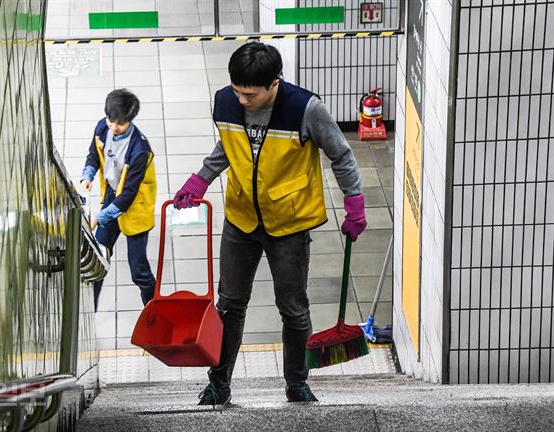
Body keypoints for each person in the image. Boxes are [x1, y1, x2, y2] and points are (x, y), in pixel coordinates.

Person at [173, 42, 367, 405]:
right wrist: (201, 178)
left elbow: (340, 154)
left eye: (251, 94)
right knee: (229, 304)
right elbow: (230, 147)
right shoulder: (226, 102)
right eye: (237, 91)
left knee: (293, 308)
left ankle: (296, 383)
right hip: (241, 218)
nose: (242, 100)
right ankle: (219, 384)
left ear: (274, 84)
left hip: (290, 222)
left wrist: (354, 202)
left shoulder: (305, 109)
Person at [80, 89, 157, 311]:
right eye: (111, 120)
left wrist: (99, 218)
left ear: (130, 120)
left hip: (135, 207)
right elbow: (93, 155)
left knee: (139, 270)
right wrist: (88, 176)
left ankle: (154, 311)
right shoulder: (102, 128)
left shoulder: (140, 150)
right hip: (112, 197)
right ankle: (88, 310)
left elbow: (129, 196)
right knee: (98, 261)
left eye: (120, 123)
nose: (114, 126)